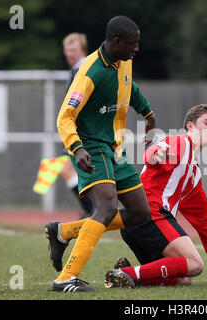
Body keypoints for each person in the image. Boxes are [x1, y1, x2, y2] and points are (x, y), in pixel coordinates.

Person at [45, 15, 156, 292]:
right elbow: (64, 116)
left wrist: (147, 111)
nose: (137, 49)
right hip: (90, 145)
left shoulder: (124, 58)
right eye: (133, 44)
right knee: (105, 208)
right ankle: (65, 279)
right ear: (115, 41)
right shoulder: (90, 72)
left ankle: (65, 232)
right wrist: (77, 147)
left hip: (114, 147)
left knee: (140, 212)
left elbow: (129, 85)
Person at [103, 104, 207, 287]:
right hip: (150, 215)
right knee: (195, 264)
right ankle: (126, 273)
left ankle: (134, 276)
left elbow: (202, 218)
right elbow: (154, 153)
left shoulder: (194, 172)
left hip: (137, 224)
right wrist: (154, 156)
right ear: (190, 126)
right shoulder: (181, 143)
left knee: (183, 279)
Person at [60, 32, 93, 218]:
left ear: (82, 50)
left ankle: (93, 211)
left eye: (73, 49)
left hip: (82, 132)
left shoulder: (83, 70)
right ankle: (93, 210)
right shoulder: (73, 71)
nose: (68, 53)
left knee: (73, 169)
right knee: (72, 170)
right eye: (66, 50)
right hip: (75, 130)